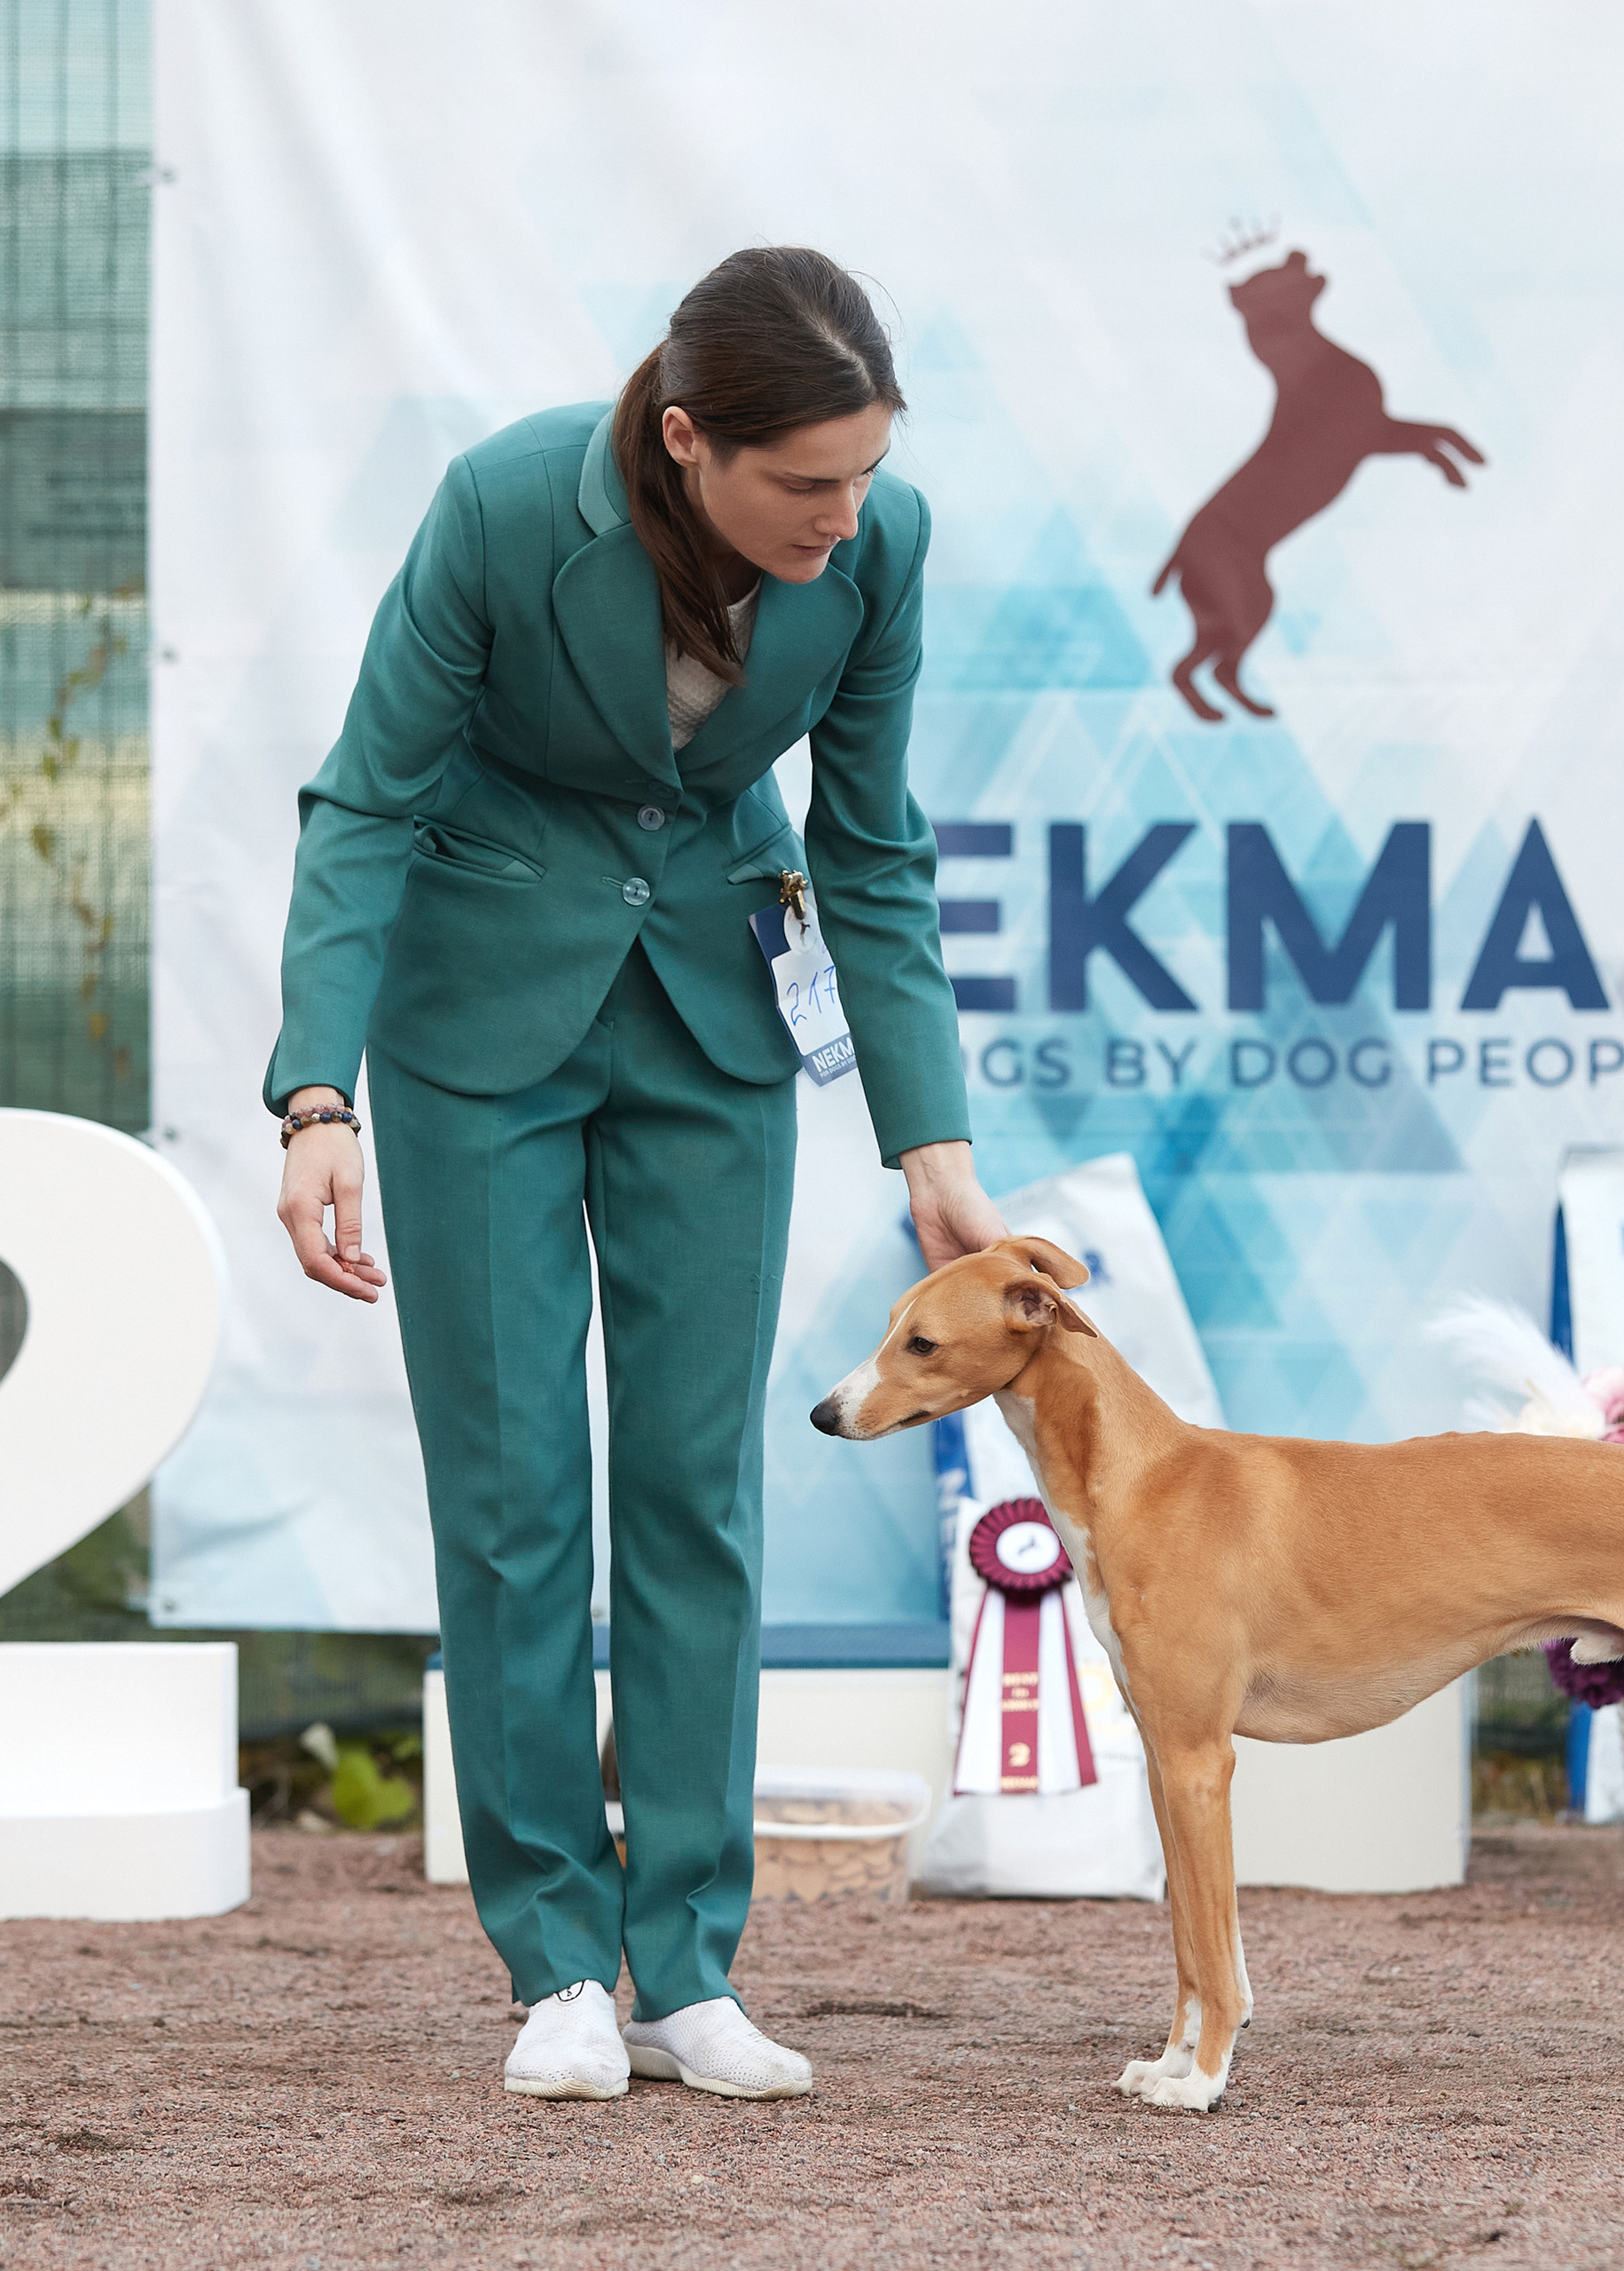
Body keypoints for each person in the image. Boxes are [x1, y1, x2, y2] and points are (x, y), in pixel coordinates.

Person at [268, 248, 1004, 2101]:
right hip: (475, 1027)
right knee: (516, 1493)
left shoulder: (881, 549)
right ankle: (553, 1967)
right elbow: (366, 794)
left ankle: (685, 1963)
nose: (844, 517)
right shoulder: (510, 502)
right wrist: (315, 1100)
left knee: (693, 1490)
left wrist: (931, 1139)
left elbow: (873, 849)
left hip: (710, 1027)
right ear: (686, 441)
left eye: (863, 473)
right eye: (803, 486)